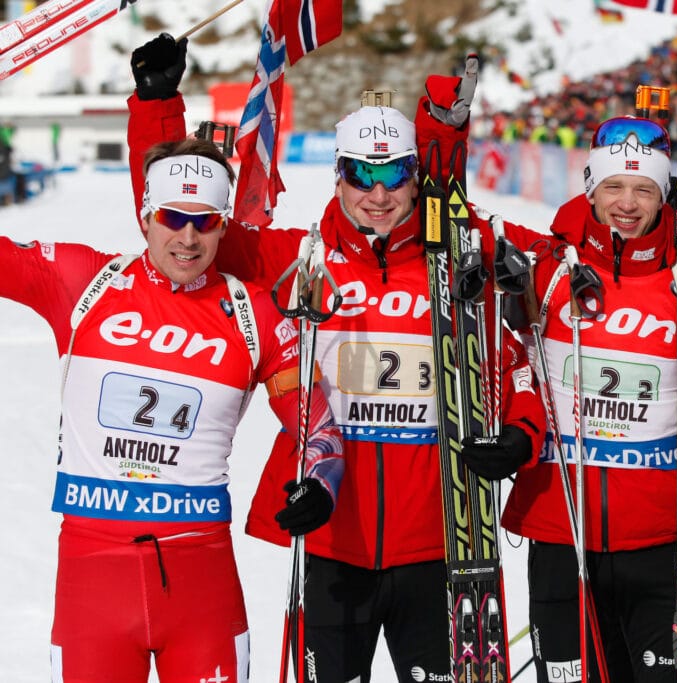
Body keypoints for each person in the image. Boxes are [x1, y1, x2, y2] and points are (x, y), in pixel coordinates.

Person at [127, 34, 547, 683]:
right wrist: (157, 110)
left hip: (442, 549)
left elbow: (522, 354)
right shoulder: (298, 258)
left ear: (417, 177)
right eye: (361, 174)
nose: (377, 194)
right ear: (339, 174)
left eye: (394, 175)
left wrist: (521, 436)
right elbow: (180, 224)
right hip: (328, 542)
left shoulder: (461, 264)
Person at [0, 137, 345, 681]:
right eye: (172, 217)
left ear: (224, 226)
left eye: (205, 222)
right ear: (145, 217)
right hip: (93, 579)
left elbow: (317, 423)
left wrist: (320, 483)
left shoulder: (252, 313)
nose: (188, 237)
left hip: (200, 583)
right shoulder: (84, 282)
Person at [488, 115, 677, 682]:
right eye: (613, 186)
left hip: (665, 544)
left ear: (663, 195)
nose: (627, 202)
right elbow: (453, 231)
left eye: (644, 188)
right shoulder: (545, 270)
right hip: (560, 536)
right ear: (589, 189)